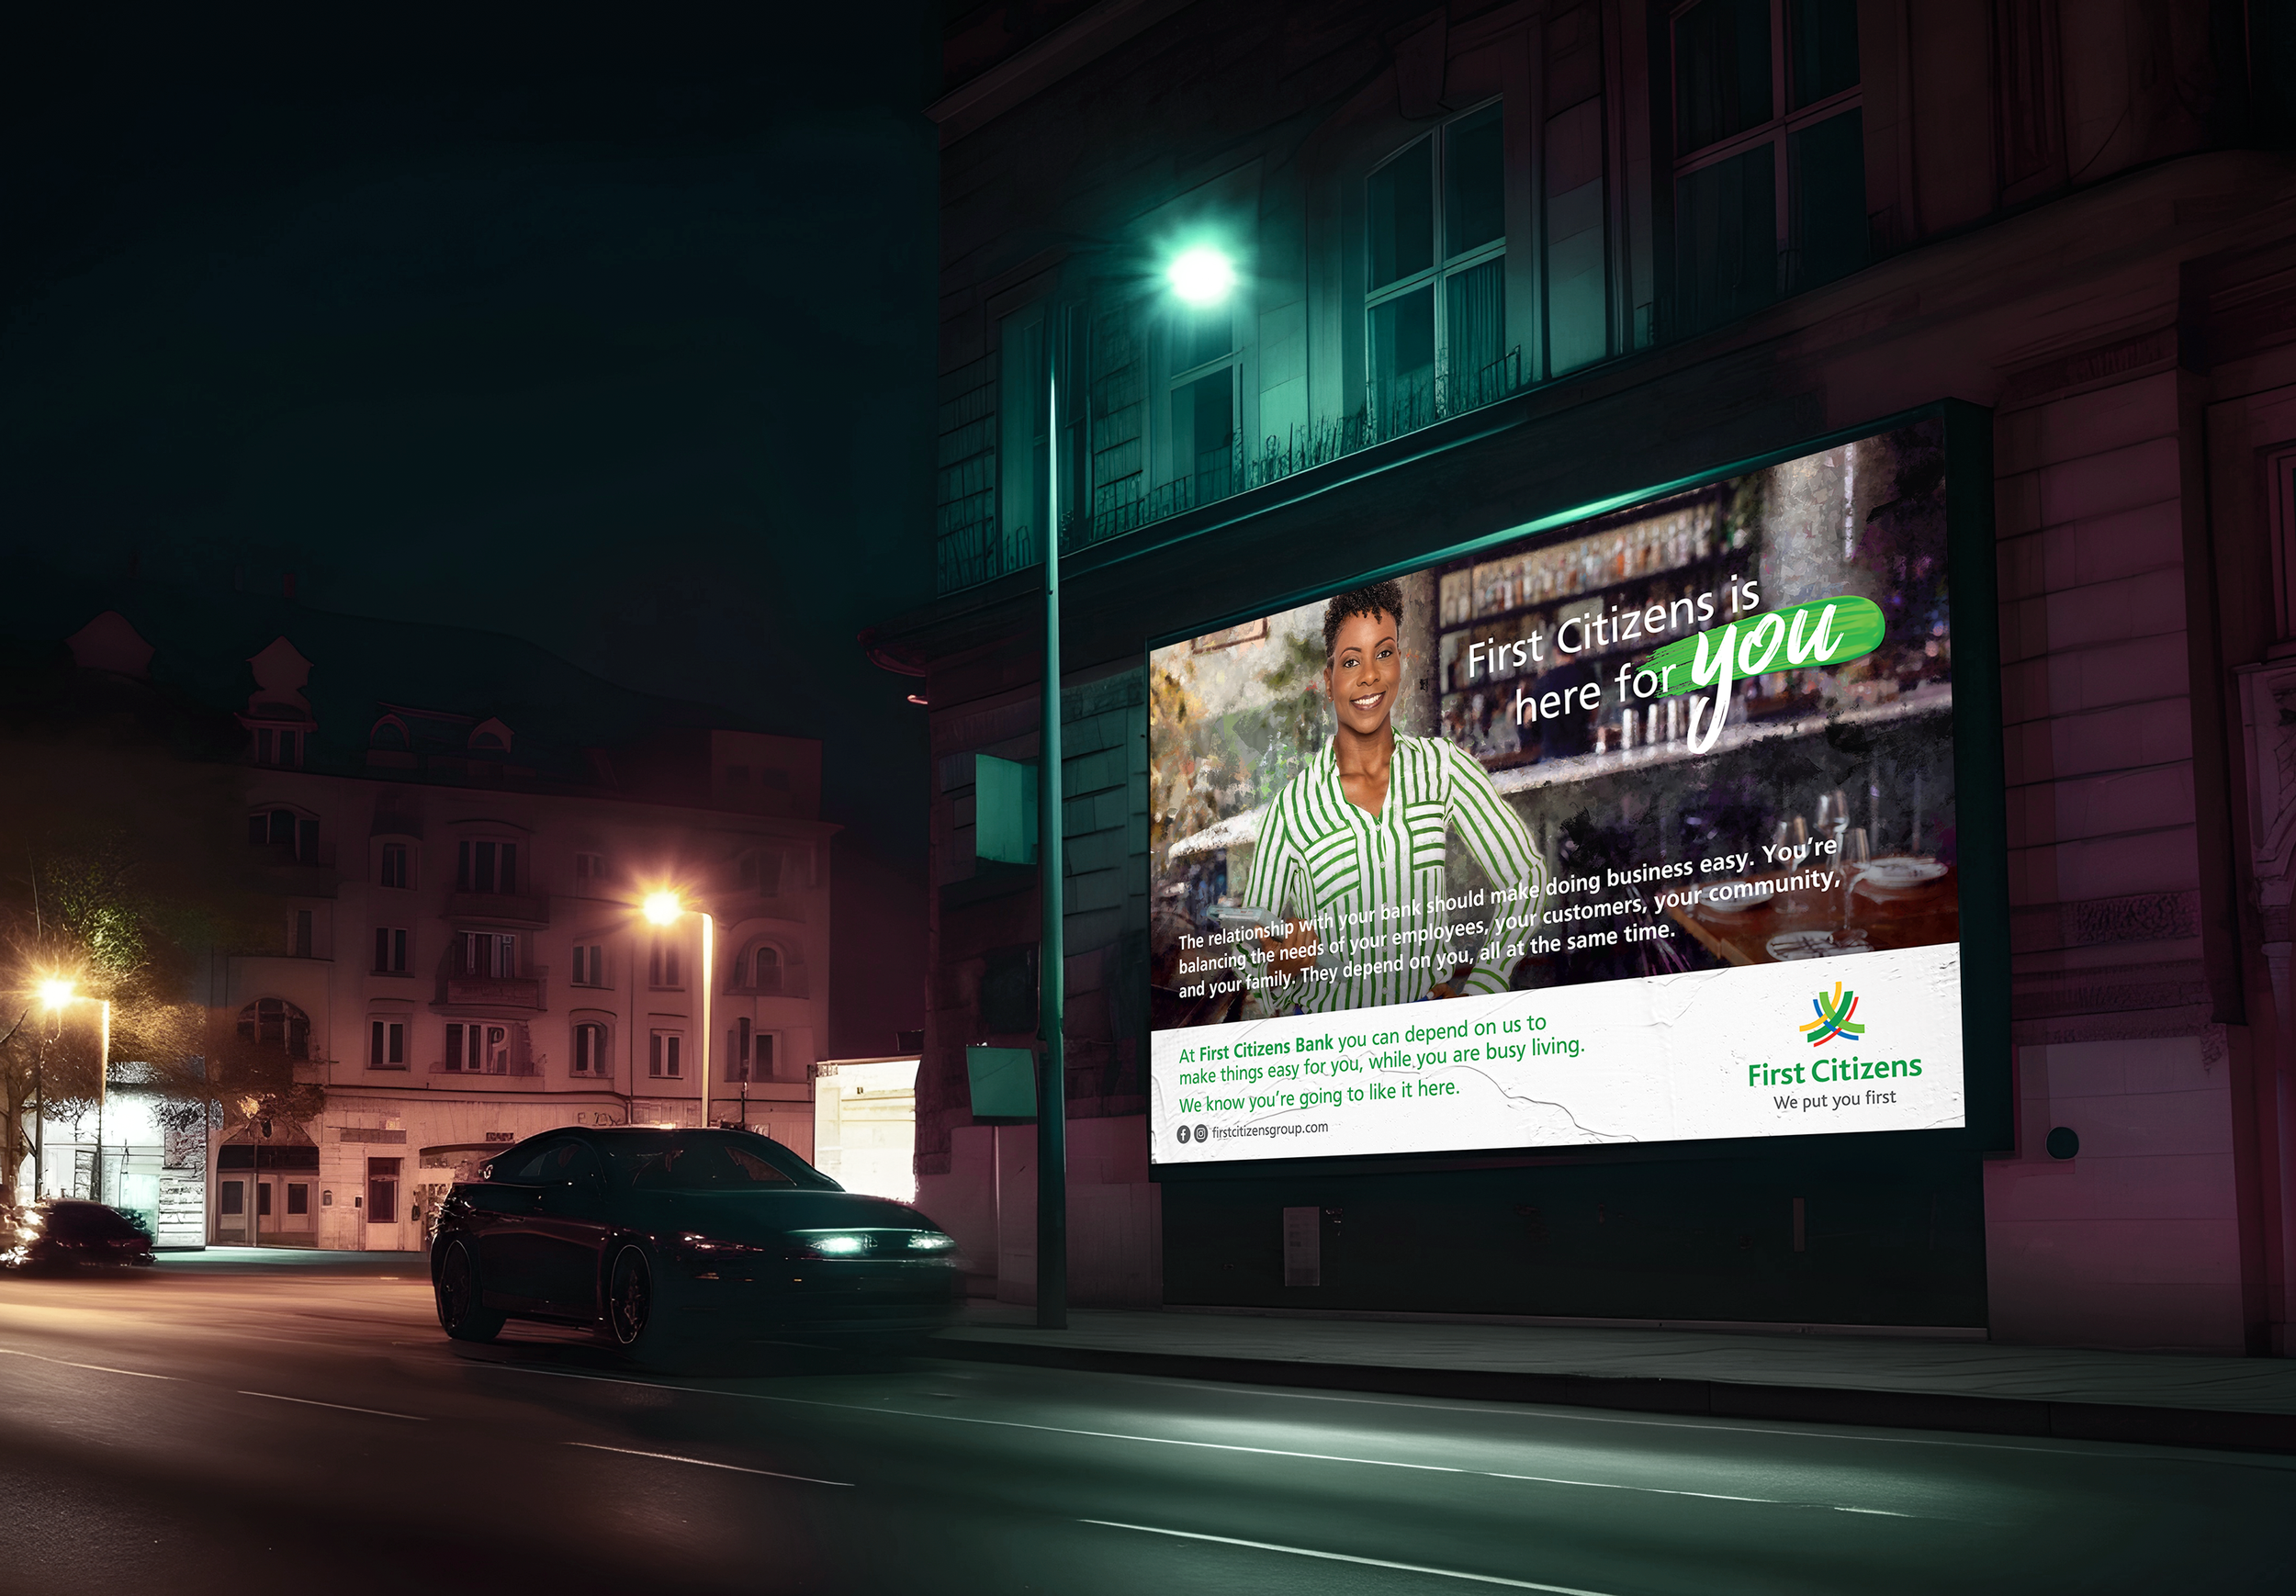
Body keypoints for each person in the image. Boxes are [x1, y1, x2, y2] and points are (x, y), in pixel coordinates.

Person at [1240, 580, 1548, 1013]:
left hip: (1429, 1046)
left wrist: (1484, 986)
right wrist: (1279, 966)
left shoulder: (1443, 767)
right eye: (1351, 662)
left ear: (1400, 662)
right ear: (1329, 682)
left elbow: (1526, 877)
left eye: (1383, 653)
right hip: (1333, 1054)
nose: (1369, 675)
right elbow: (1247, 946)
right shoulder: (1291, 810)